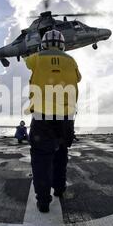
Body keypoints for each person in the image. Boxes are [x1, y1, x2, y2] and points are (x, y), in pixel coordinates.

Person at [24, 29, 82, 213]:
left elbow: (26, 61)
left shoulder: (36, 58)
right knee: (61, 153)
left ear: (44, 44)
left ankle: (43, 201)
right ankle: (59, 188)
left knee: (41, 159)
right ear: (63, 44)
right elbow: (78, 78)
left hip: (42, 118)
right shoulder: (71, 61)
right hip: (65, 119)